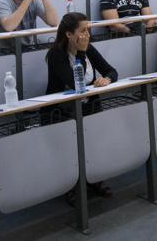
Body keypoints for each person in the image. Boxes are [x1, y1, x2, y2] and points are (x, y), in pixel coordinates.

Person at [45, 12, 117, 200]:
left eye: (88, 30)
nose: (87, 35)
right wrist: (82, 53)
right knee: (70, 149)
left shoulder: (89, 48)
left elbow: (111, 70)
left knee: (95, 142)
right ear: (69, 34)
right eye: (83, 31)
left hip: (87, 108)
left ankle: (94, 178)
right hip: (61, 112)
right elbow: (75, 82)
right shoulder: (56, 55)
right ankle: (71, 187)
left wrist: (106, 79)